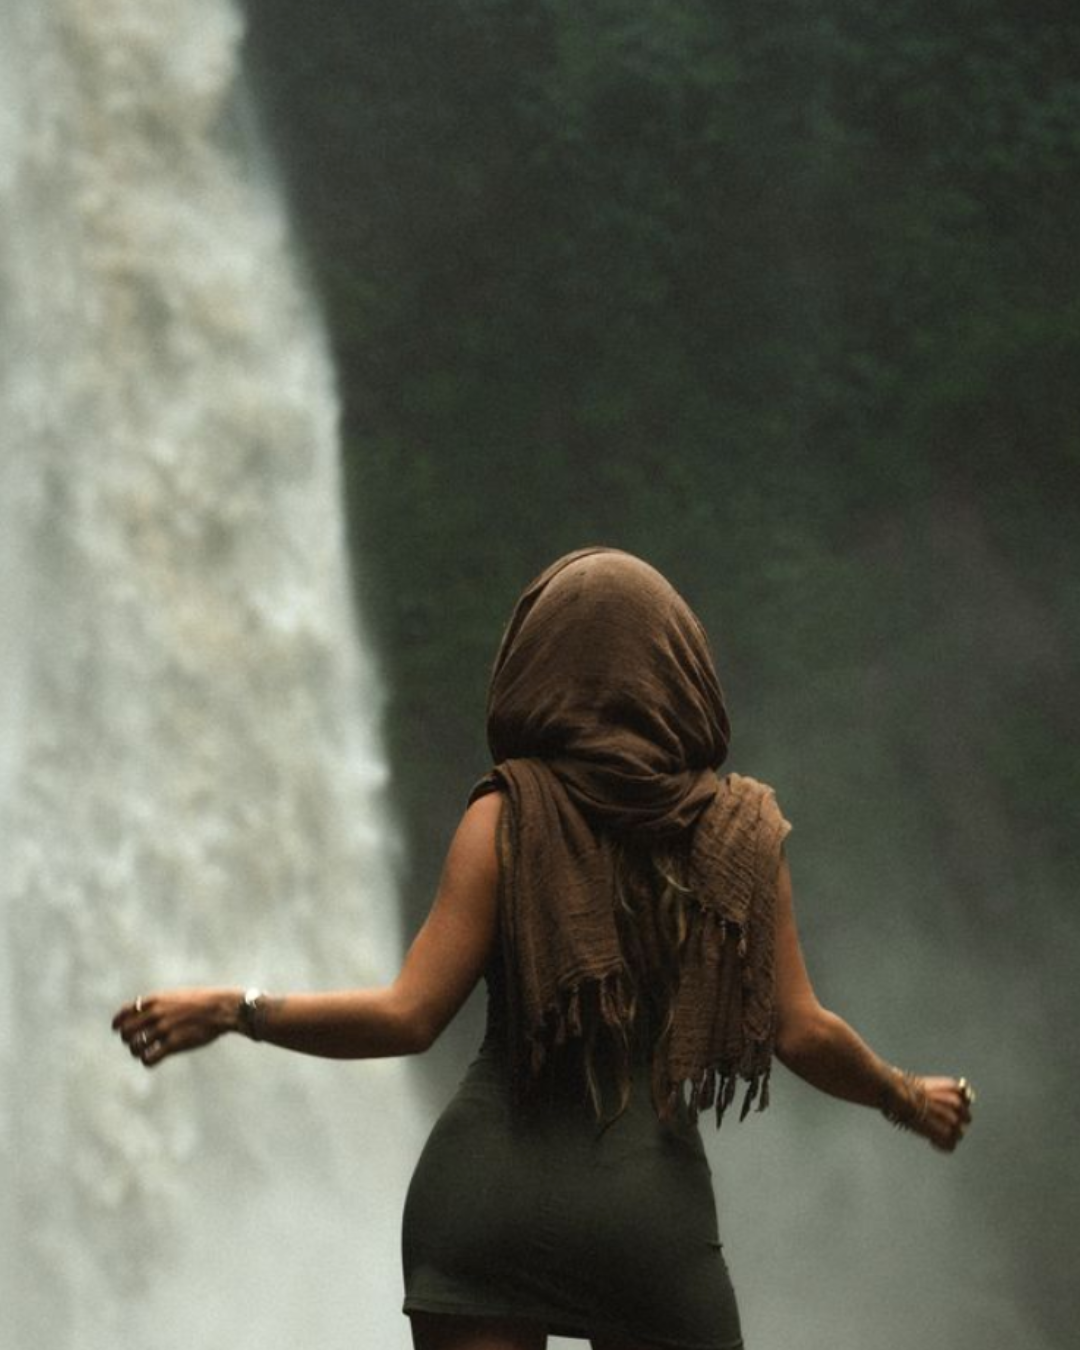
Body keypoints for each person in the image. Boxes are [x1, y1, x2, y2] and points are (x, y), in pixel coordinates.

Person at [112, 547, 974, 1350]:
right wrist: (905, 1096)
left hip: (482, 1206)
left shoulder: (506, 815)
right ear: (683, 673)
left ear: (534, 669)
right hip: (649, 1223)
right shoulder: (742, 834)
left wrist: (238, 1010)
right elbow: (801, 1031)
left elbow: (408, 1016)